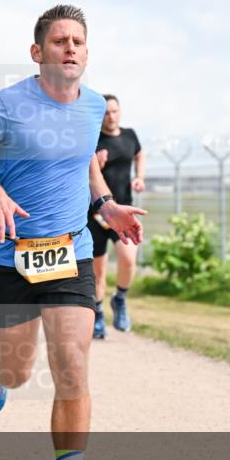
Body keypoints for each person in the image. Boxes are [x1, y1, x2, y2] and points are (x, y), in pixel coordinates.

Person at [0, 4, 145, 460]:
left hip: (70, 252)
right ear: (38, 53)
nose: (71, 48)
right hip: (11, 254)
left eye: (78, 41)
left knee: (72, 364)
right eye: (60, 41)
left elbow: (84, 161)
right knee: (15, 372)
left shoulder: (92, 108)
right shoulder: (6, 106)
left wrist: (107, 205)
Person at [89, 94, 145, 338]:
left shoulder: (130, 135)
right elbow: (84, 174)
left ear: (120, 111)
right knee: (97, 273)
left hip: (123, 212)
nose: (110, 116)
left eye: (114, 111)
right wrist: (96, 165)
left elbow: (139, 154)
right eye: (105, 113)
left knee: (128, 260)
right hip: (96, 215)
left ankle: (120, 298)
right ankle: (98, 314)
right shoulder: (93, 140)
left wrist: (140, 176)